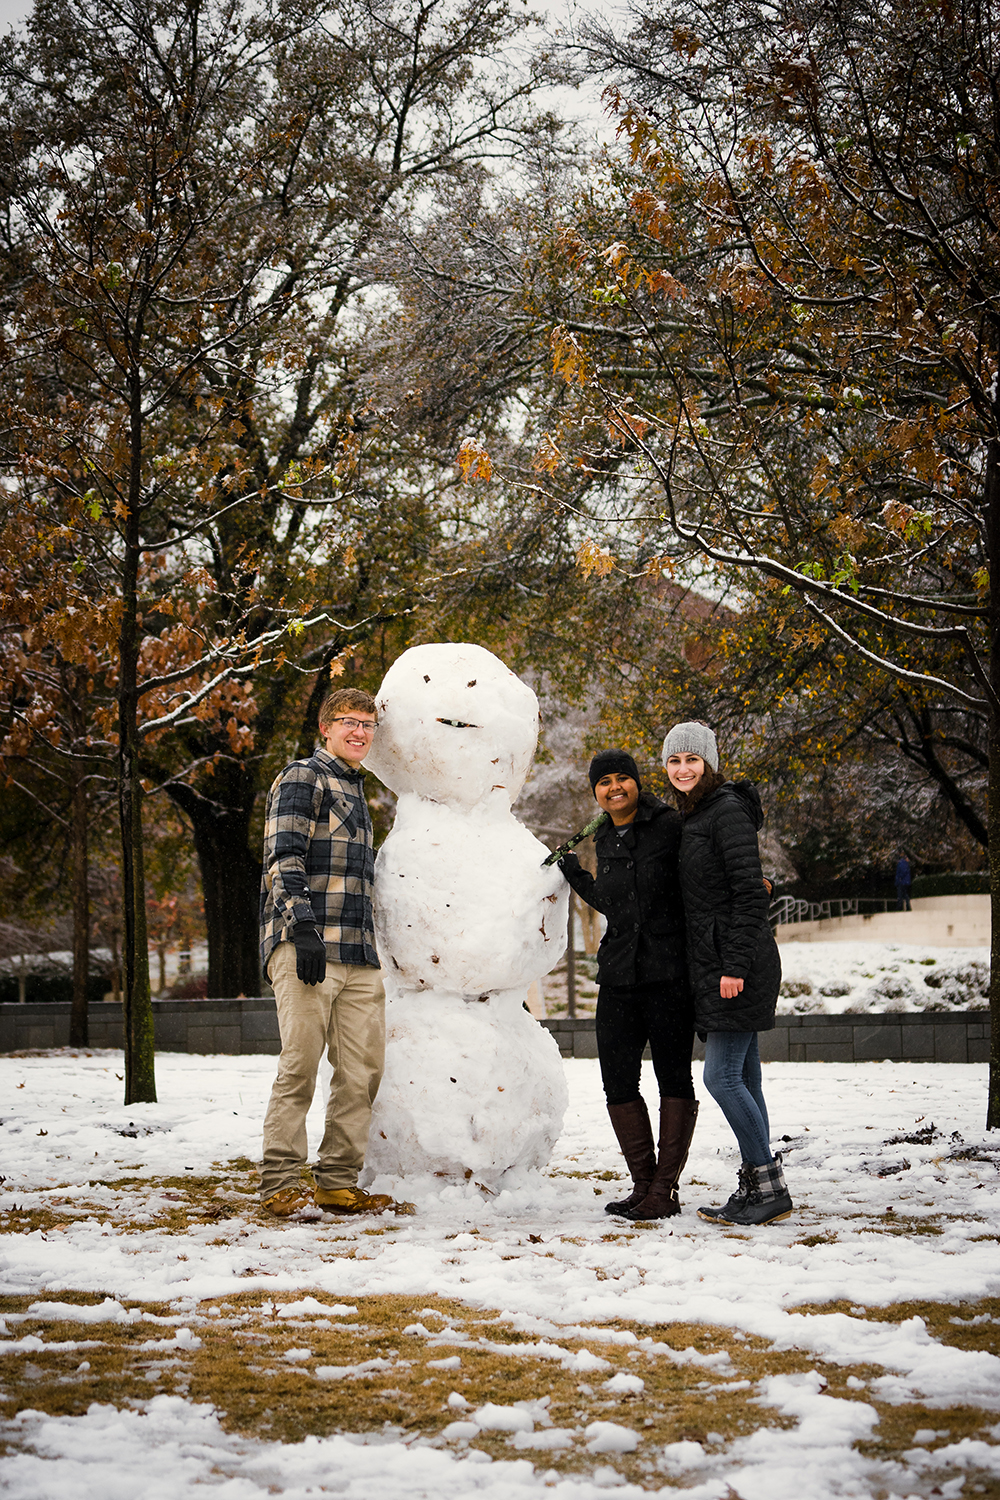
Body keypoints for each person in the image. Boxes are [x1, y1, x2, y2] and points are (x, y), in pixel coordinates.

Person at [258, 686, 394, 1218]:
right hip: (307, 948)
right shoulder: (302, 777)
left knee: (362, 1071)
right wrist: (303, 928)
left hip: (358, 954)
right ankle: (279, 1184)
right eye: (348, 721)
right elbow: (282, 856)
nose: (360, 731)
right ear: (326, 727)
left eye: (367, 723)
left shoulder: (357, 791)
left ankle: (337, 1180)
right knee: (300, 1064)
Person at [557, 749, 697, 1221]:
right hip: (619, 974)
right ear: (595, 791)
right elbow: (616, 903)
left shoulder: (670, 824)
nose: (614, 787)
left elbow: (698, 883)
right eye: (604, 782)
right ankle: (644, 1183)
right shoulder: (604, 836)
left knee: (673, 1077)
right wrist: (575, 873)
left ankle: (665, 1190)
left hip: (669, 974)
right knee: (617, 1080)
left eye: (622, 778)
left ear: (637, 782)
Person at [661, 721, 792, 1227]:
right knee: (746, 1078)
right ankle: (763, 1188)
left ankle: (763, 1180)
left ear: (709, 763)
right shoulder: (698, 814)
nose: (683, 769)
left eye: (692, 760)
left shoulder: (726, 811)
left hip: (736, 965)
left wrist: (734, 966)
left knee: (719, 1077)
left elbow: (746, 894)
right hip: (719, 962)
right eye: (674, 761)